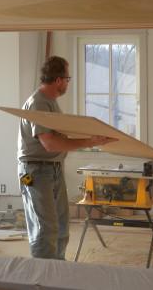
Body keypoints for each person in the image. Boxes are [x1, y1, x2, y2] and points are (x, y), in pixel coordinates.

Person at [17, 55, 116, 260]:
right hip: (36, 171)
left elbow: (58, 137)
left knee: (61, 224)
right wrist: (89, 142)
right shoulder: (38, 102)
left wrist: (89, 137)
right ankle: (43, 274)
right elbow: (50, 143)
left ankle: (58, 269)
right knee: (46, 227)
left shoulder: (51, 102)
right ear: (59, 80)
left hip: (52, 168)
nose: (68, 84)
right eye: (68, 79)